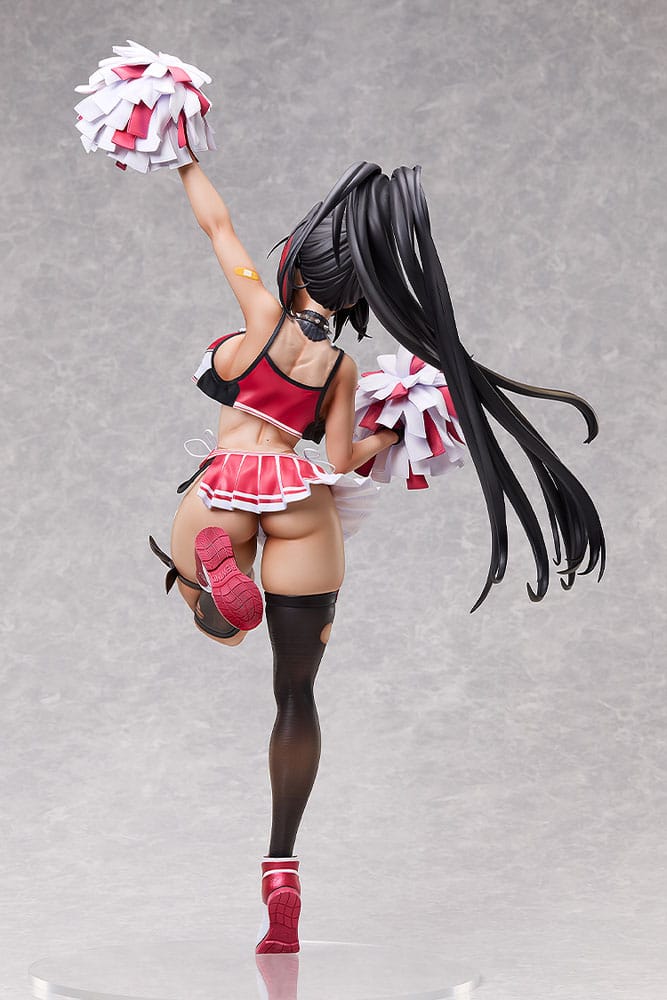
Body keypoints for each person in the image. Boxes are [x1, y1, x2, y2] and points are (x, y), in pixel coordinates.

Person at [149, 155, 606, 954]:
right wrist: (395, 429)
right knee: (295, 695)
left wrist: (183, 157)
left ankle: (215, 592)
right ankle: (281, 872)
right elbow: (339, 459)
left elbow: (217, 227)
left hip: (229, 485)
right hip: (300, 503)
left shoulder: (259, 310)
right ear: (358, 293)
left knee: (210, 609)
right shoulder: (339, 366)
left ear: (296, 264)